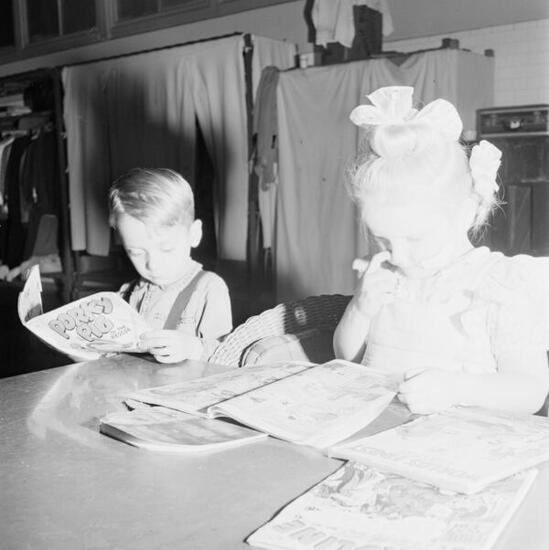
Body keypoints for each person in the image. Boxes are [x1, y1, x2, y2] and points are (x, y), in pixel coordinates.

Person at [333, 86, 549, 415]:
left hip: (465, 440)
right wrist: (359, 310)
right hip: (381, 430)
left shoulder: (497, 285)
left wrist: (455, 388)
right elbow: (347, 359)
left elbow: (530, 392)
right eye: (384, 240)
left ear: (465, 213)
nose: (398, 256)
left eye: (415, 239)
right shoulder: (386, 275)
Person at [109, 168, 232, 363]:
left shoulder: (209, 288)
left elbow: (226, 355)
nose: (153, 264)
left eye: (166, 249)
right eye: (136, 252)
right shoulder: (127, 293)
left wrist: (193, 348)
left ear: (194, 234)